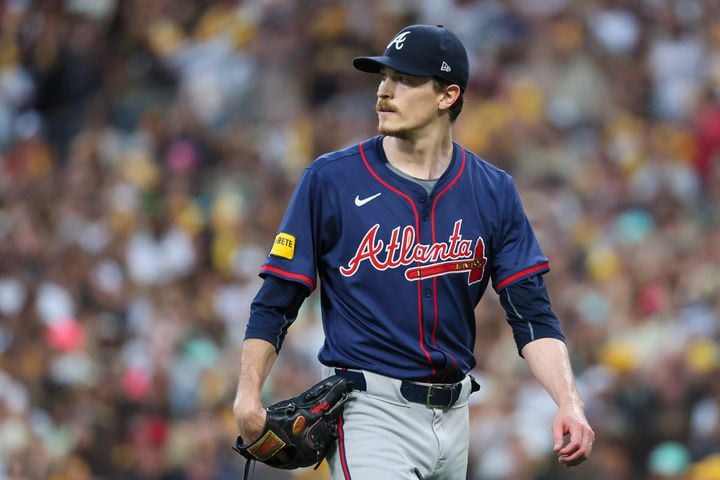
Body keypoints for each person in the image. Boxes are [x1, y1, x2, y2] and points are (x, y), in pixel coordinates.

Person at [233, 24, 594, 479]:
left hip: (457, 416)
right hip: (371, 412)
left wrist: (569, 403)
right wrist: (248, 395)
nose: (384, 90)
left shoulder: (493, 189)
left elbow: (532, 315)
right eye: (383, 78)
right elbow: (276, 301)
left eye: (404, 79)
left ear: (447, 96)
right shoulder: (332, 180)